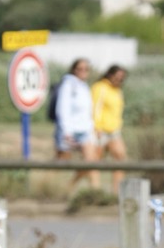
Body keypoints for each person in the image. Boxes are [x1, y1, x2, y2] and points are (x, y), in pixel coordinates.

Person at [54, 58, 101, 191]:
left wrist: (92, 129)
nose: (83, 71)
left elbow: (87, 112)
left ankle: (96, 193)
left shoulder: (84, 87)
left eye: (86, 69)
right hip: (69, 131)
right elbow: (62, 109)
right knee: (61, 162)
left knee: (92, 162)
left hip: (84, 131)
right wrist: (66, 132)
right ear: (74, 70)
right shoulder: (68, 85)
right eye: (80, 69)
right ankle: (48, 187)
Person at [91, 64, 128, 194]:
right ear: (110, 75)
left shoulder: (117, 90)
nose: (119, 80)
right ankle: (94, 190)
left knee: (120, 158)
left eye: (122, 78)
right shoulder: (100, 87)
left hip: (114, 131)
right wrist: (97, 127)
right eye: (117, 77)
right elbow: (96, 107)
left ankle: (117, 192)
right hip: (101, 130)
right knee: (94, 161)